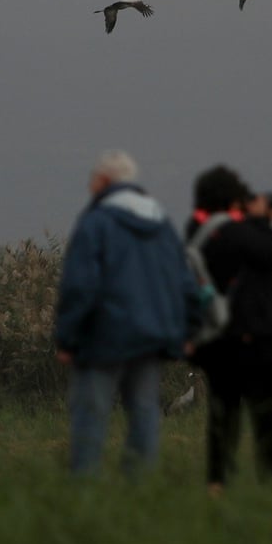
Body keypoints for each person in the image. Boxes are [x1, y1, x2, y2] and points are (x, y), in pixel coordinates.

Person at [54, 150, 200, 476]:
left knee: (92, 412)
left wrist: (67, 337)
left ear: (105, 181)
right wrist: (189, 331)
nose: (90, 186)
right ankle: (137, 487)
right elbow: (184, 282)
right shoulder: (161, 223)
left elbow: (80, 286)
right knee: (145, 412)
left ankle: (85, 487)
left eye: (93, 179)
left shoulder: (95, 222)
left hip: (103, 337)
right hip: (152, 337)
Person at [186, 164, 272, 492]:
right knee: (267, 416)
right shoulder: (238, 231)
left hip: (216, 340)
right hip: (255, 337)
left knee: (223, 415)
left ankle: (217, 483)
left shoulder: (196, 229)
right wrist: (260, 219)